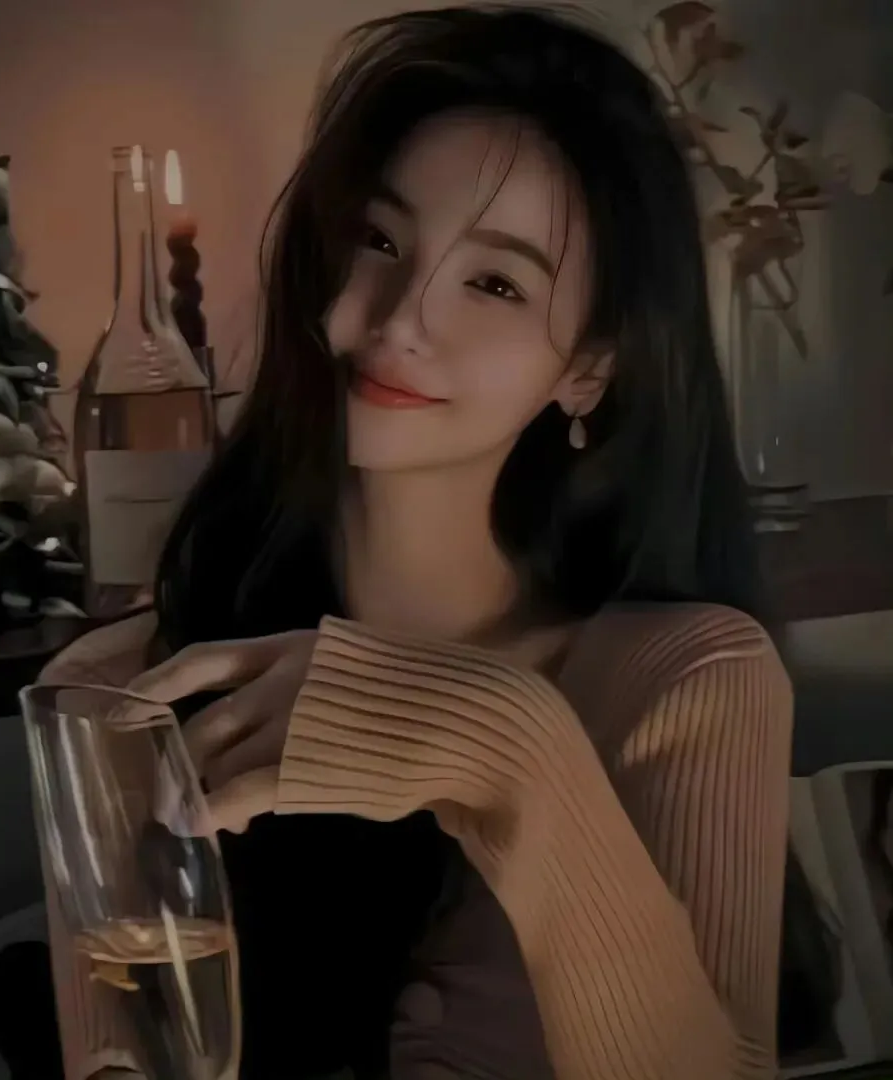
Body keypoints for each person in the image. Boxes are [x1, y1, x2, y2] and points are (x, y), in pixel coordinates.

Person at [40, 5, 794, 1078]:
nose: (400, 317)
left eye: (496, 283)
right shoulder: (119, 692)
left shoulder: (688, 679)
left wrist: (515, 752)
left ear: (589, 370)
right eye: (381, 240)